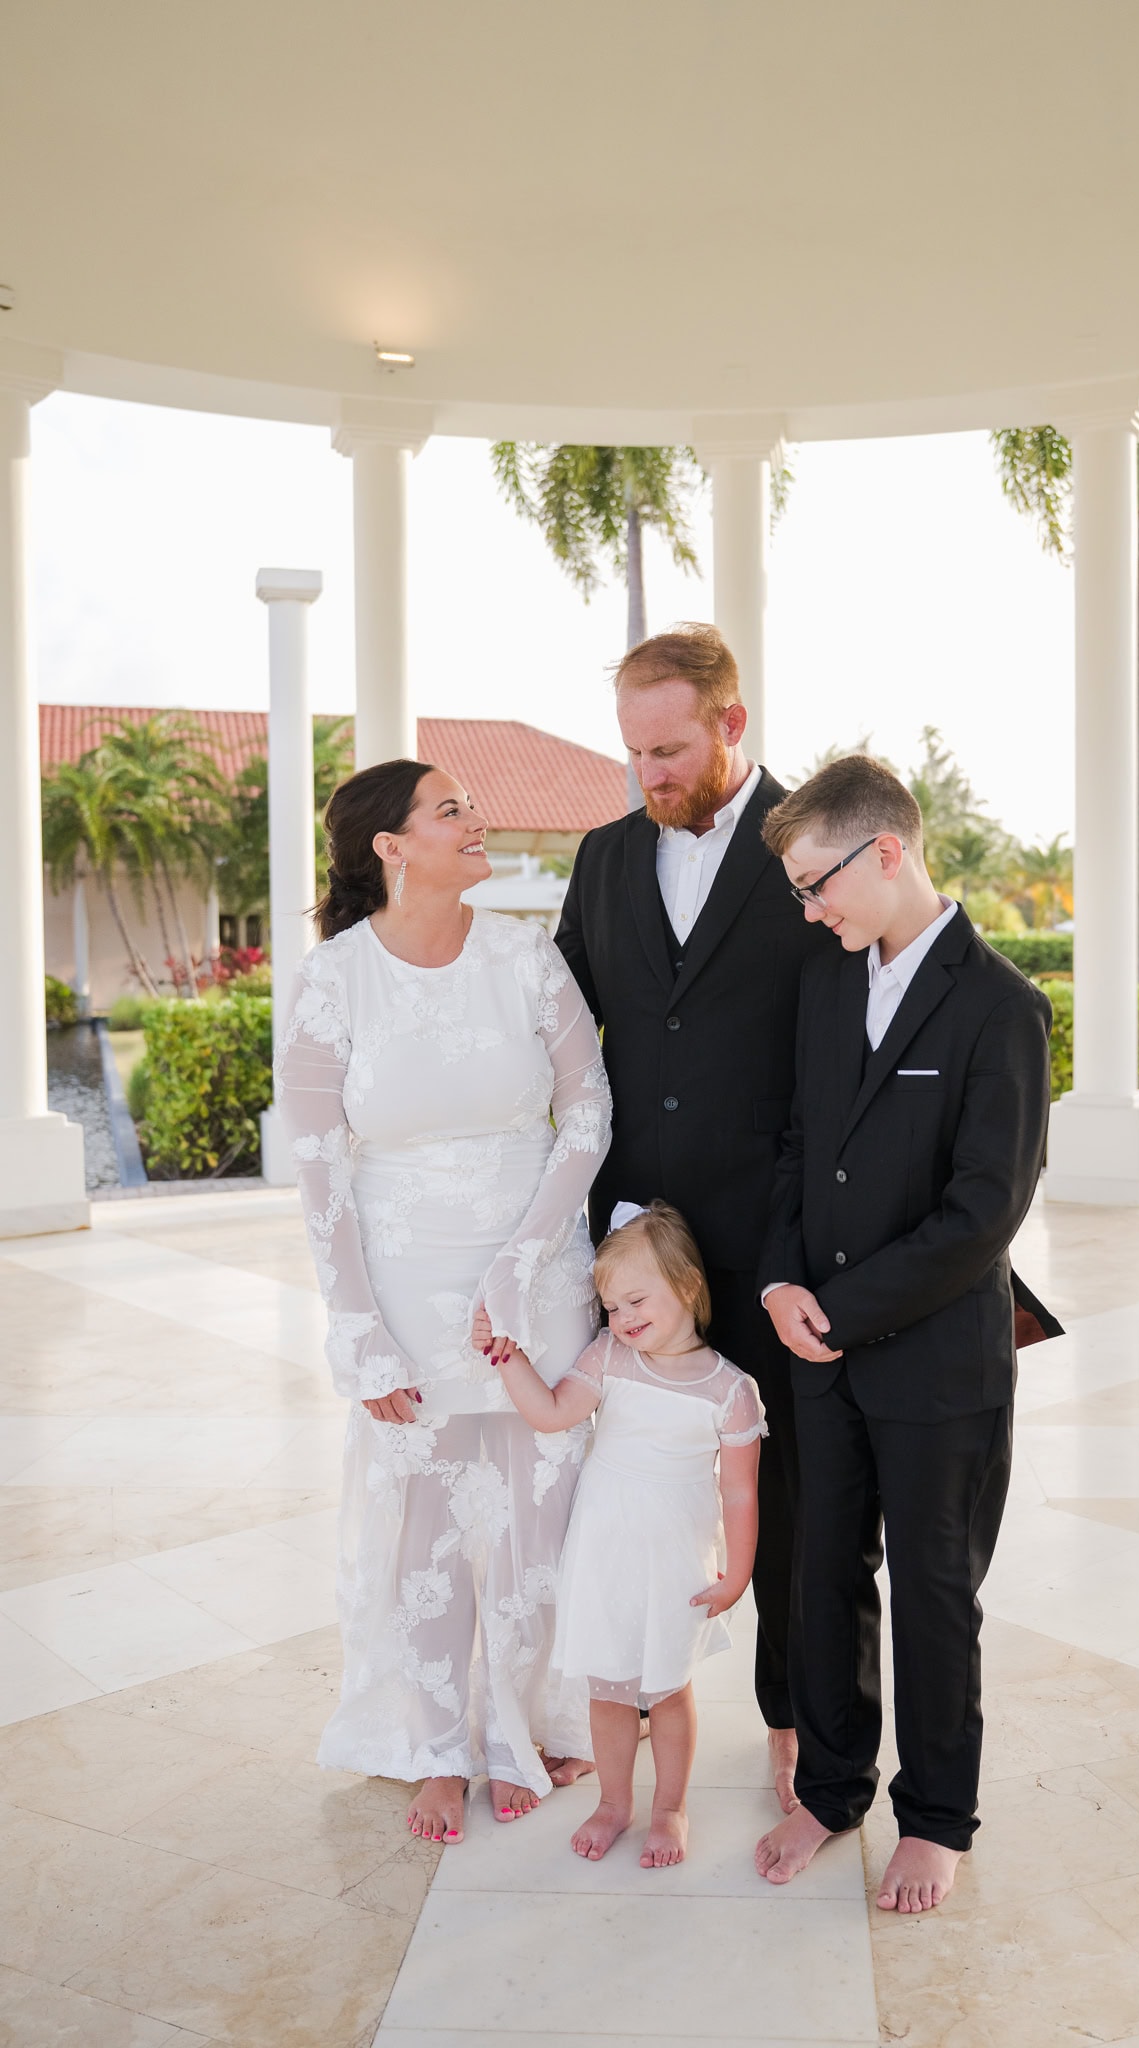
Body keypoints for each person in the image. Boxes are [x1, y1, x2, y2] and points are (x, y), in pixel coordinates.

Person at [274, 757, 609, 1848]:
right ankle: (433, 1744)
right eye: (449, 809)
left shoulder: (525, 955)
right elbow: (318, 1161)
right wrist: (356, 1325)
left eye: (470, 801)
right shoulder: (334, 977)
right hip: (405, 1281)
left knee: (539, 1511)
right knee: (424, 1520)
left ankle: (531, 1721)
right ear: (389, 845)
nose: (476, 819)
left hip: (537, 1265)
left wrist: (523, 1260)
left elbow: (588, 1113)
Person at [753, 754, 1053, 1914]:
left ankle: (937, 1819)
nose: (809, 909)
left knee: (933, 1590)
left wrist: (844, 1308)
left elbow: (985, 1213)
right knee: (823, 1573)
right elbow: (792, 1146)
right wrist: (781, 1282)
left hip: (935, 1363)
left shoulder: (1001, 1006)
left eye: (817, 882)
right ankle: (831, 1791)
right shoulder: (825, 985)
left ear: (887, 851)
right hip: (815, 1350)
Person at [555, 624, 823, 1813]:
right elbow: (566, 1041)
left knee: (801, 1499)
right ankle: (614, 1705)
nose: (649, 776)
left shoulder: (813, 853)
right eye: (634, 754)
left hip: (774, 1240)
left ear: (731, 725)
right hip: (635, 1256)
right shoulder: (605, 857)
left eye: (668, 749)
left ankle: (794, 1719)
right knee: (624, 1496)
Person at [474, 1199, 765, 1869]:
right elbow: (549, 1414)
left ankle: (669, 1808)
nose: (624, 1318)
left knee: (665, 1690)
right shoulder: (609, 1359)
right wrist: (505, 1354)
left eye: (637, 1300)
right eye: (611, 1307)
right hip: (602, 1558)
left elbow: (739, 1489)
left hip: (675, 1568)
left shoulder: (730, 1390)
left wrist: (737, 1571)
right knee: (606, 1693)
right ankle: (612, 1802)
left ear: (686, 1287)